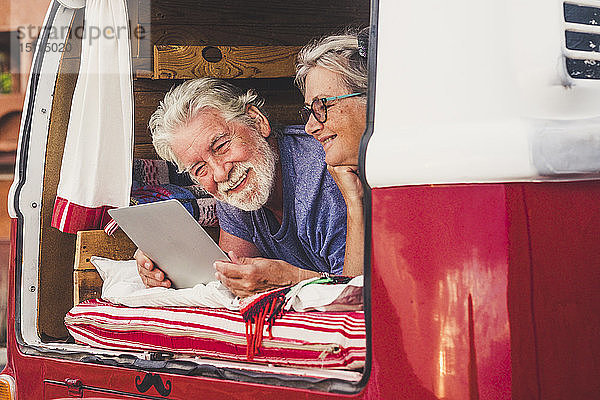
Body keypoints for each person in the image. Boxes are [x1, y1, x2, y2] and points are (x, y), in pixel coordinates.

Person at [135, 78, 349, 297]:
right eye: (200, 169)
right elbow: (229, 275)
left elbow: (357, 292)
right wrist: (168, 266)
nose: (220, 173)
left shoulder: (323, 174)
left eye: (221, 146)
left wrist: (293, 280)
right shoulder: (237, 186)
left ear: (257, 122)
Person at [295, 28, 369, 277]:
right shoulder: (357, 183)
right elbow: (354, 295)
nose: (310, 127)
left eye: (322, 105)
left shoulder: (418, 178)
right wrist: (354, 203)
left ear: (372, 99)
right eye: (309, 111)